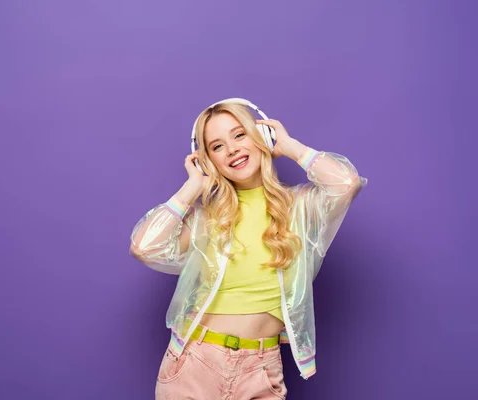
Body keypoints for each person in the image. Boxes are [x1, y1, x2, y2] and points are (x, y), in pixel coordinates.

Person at [129, 98, 367, 399]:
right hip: (194, 364)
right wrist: (192, 187)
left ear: (261, 137)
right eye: (217, 146)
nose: (231, 149)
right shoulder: (208, 219)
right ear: (208, 160)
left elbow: (347, 183)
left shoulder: (300, 208)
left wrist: (291, 147)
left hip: (262, 370)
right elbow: (143, 247)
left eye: (239, 134)